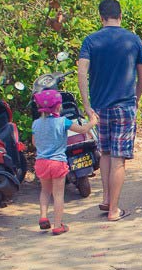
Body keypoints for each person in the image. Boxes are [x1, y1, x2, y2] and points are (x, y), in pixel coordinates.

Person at [78, 0, 142, 222]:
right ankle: (113, 210)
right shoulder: (133, 40)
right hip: (124, 106)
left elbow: (81, 73)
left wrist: (87, 105)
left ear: (101, 17)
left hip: (99, 108)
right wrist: (135, 99)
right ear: (120, 16)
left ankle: (107, 198)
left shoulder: (90, 41)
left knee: (106, 153)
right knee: (119, 158)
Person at [32, 89, 98, 235]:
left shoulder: (35, 124)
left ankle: (43, 217)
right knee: (58, 194)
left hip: (41, 162)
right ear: (58, 107)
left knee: (45, 191)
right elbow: (82, 130)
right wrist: (92, 121)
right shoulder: (63, 121)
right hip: (57, 162)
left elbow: (35, 142)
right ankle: (57, 225)